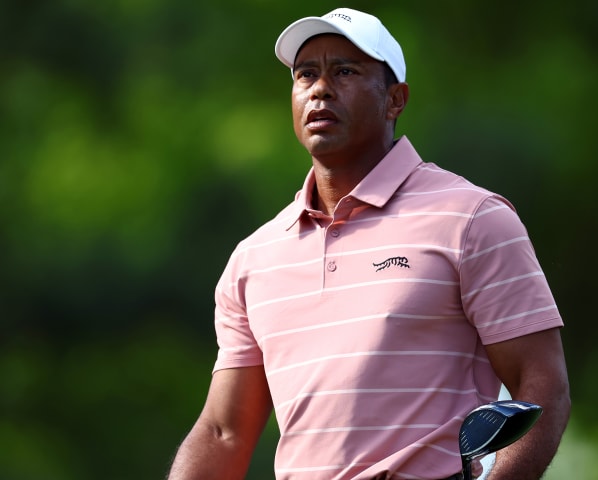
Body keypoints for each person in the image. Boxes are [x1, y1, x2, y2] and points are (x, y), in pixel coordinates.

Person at [167, 7, 570, 480]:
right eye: (306, 74)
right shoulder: (255, 259)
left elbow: (542, 385)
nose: (320, 88)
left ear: (395, 99)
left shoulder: (472, 218)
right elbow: (223, 432)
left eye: (345, 71)